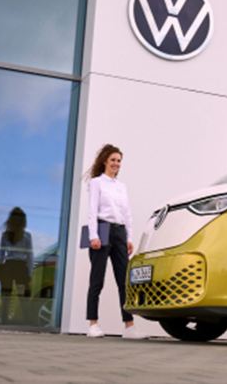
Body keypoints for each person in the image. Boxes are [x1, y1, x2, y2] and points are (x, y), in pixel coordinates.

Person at [85, 144, 145, 339]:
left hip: (119, 233)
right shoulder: (96, 183)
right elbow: (92, 211)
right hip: (102, 230)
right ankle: (93, 324)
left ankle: (129, 327)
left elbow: (127, 214)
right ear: (105, 161)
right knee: (97, 280)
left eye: (119, 161)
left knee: (123, 281)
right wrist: (93, 235)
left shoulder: (122, 187)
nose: (116, 164)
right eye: (113, 160)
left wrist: (128, 237)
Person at [0, 207, 33, 324]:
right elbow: (29, 255)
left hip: (10, 266)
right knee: (22, 296)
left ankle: (5, 320)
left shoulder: (6, 235)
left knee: (6, 295)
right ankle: (26, 319)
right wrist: (29, 272)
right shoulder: (26, 236)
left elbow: (1, 254)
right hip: (20, 267)